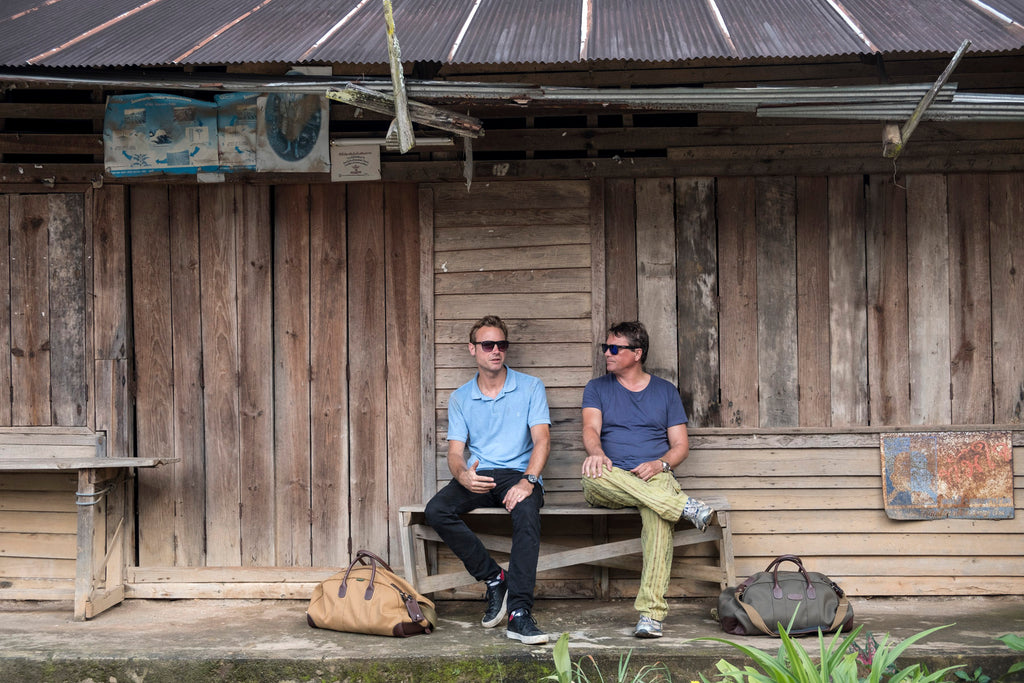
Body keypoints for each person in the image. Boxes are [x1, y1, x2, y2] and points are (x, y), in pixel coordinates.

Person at [580, 321, 714, 639]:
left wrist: (659, 464)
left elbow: (680, 446)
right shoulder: (597, 387)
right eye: (605, 348)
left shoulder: (665, 392)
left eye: (615, 348)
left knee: (656, 515)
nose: (607, 354)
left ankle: (651, 616)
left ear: (636, 353)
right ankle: (684, 507)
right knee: (592, 476)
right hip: (610, 476)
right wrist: (597, 453)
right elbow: (590, 430)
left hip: (655, 477)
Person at [424, 315, 552, 645]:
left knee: (526, 513)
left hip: (520, 476)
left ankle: (519, 614)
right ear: (473, 349)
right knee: (437, 510)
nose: (495, 351)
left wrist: (529, 481)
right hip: (480, 475)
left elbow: (542, 441)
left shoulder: (530, 387)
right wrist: (463, 475)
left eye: (501, 345)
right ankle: (495, 578)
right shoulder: (460, 398)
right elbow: (455, 453)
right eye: (487, 345)